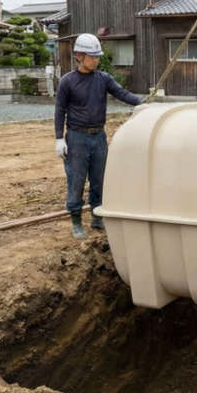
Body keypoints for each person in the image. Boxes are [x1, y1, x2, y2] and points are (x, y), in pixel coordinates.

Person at [54, 33, 143, 239]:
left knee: (99, 179)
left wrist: (142, 102)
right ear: (79, 56)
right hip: (77, 137)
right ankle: (76, 220)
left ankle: (97, 216)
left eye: (97, 56)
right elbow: (60, 111)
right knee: (76, 180)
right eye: (91, 56)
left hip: (99, 137)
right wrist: (60, 138)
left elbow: (122, 93)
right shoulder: (68, 81)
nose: (95, 60)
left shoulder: (104, 79)